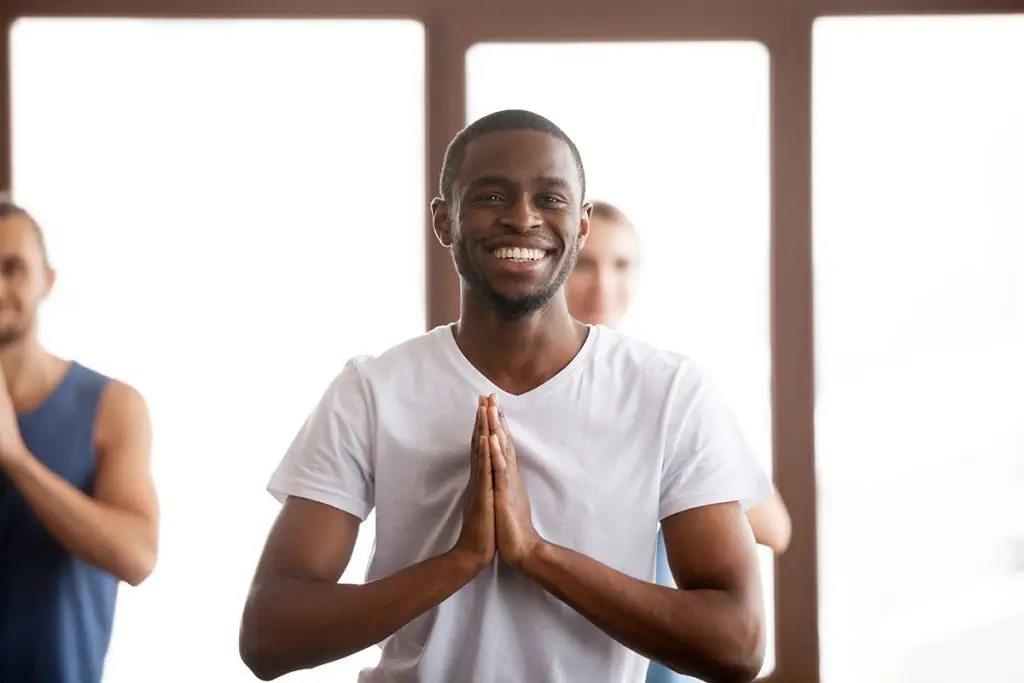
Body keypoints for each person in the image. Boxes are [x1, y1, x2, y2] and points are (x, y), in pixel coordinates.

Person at [240, 110, 771, 683]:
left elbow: (737, 646)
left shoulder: (669, 392)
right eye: (492, 196)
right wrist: (459, 561)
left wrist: (536, 555)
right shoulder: (373, 391)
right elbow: (268, 637)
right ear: (445, 220)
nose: (523, 218)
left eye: (551, 198)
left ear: (582, 224)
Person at [566, 200, 792, 683]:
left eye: (621, 264)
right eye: (585, 263)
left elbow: (775, 527)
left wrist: (671, 466)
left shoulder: (667, 390)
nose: (604, 284)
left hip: (664, 659)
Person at [0, 197, 160, 683]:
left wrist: (16, 459)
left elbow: (137, 557)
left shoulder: (113, 406)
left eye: (13, 268)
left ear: (47, 280)